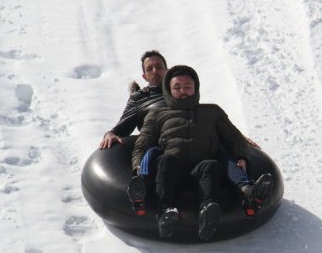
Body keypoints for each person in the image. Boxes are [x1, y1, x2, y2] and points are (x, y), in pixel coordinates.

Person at [131, 65, 273, 240]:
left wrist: (241, 156)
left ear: (195, 88)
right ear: (168, 90)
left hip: (201, 167)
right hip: (171, 168)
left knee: (211, 165)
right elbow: (142, 143)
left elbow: (233, 137)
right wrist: (137, 164)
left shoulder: (212, 111)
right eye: (177, 87)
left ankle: (208, 212)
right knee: (166, 160)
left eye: (187, 86)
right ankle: (166, 212)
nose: (183, 91)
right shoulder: (157, 114)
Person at [99, 50, 168, 149]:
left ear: (167, 70)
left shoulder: (181, 91)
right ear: (144, 77)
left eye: (159, 67)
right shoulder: (139, 98)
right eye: (149, 69)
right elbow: (120, 129)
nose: (155, 71)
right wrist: (109, 134)